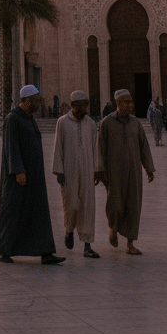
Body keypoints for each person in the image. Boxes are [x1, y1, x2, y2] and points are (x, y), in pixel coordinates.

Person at [0, 85, 64, 265]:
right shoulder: (13, 119)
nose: (39, 104)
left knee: (39, 212)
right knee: (12, 211)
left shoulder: (29, 118)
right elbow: (12, 148)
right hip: (18, 177)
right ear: (25, 101)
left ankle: (46, 252)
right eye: (36, 100)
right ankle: (4, 250)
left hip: (35, 176)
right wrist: (18, 171)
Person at [96, 88, 155, 255]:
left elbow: (144, 146)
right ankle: (113, 227)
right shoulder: (107, 123)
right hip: (114, 171)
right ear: (118, 104)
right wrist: (101, 170)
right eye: (127, 102)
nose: (131, 105)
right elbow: (100, 148)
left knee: (133, 205)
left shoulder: (136, 123)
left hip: (133, 171)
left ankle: (130, 243)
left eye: (131, 102)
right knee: (114, 203)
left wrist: (149, 168)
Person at [52, 90, 100, 258]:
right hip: (69, 169)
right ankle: (69, 230)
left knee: (88, 205)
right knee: (71, 203)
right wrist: (59, 170)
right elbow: (59, 146)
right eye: (78, 106)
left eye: (84, 105)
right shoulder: (63, 123)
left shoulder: (91, 124)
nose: (82, 109)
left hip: (87, 169)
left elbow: (95, 148)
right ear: (72, 106)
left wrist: (96, 169)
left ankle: (87, 244)